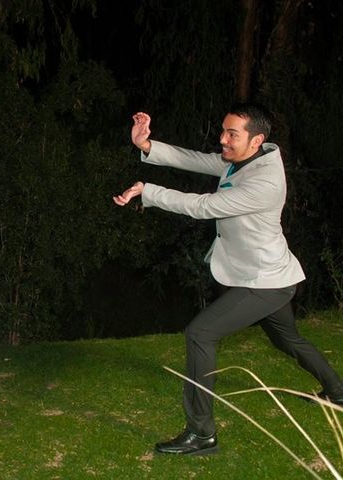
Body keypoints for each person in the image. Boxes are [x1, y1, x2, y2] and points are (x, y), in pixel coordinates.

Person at [113, 104, 343, 455]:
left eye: (231, 134)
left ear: (257, 140)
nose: (222, 139)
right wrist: (148, 147)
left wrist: (149, 191)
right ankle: (338, 394)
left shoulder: (265, 181)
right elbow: (198, 160)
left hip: (265, 280)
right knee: (287, 340)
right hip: (263, 272)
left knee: (200, 333)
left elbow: (205, 207)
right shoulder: (249, 157)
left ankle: (201, 434)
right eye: (223, 130)